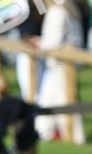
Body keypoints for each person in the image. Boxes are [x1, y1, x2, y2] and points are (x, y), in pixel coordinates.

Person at [34, 0, 87, 144]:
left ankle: (74, 139)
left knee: (59, 102)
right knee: (56, 101)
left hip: (59, 65)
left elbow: (52, 43)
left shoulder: (56, 12)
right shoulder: (71, 10)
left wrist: (38, 43)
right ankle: (42, 134)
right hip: (68, 64)